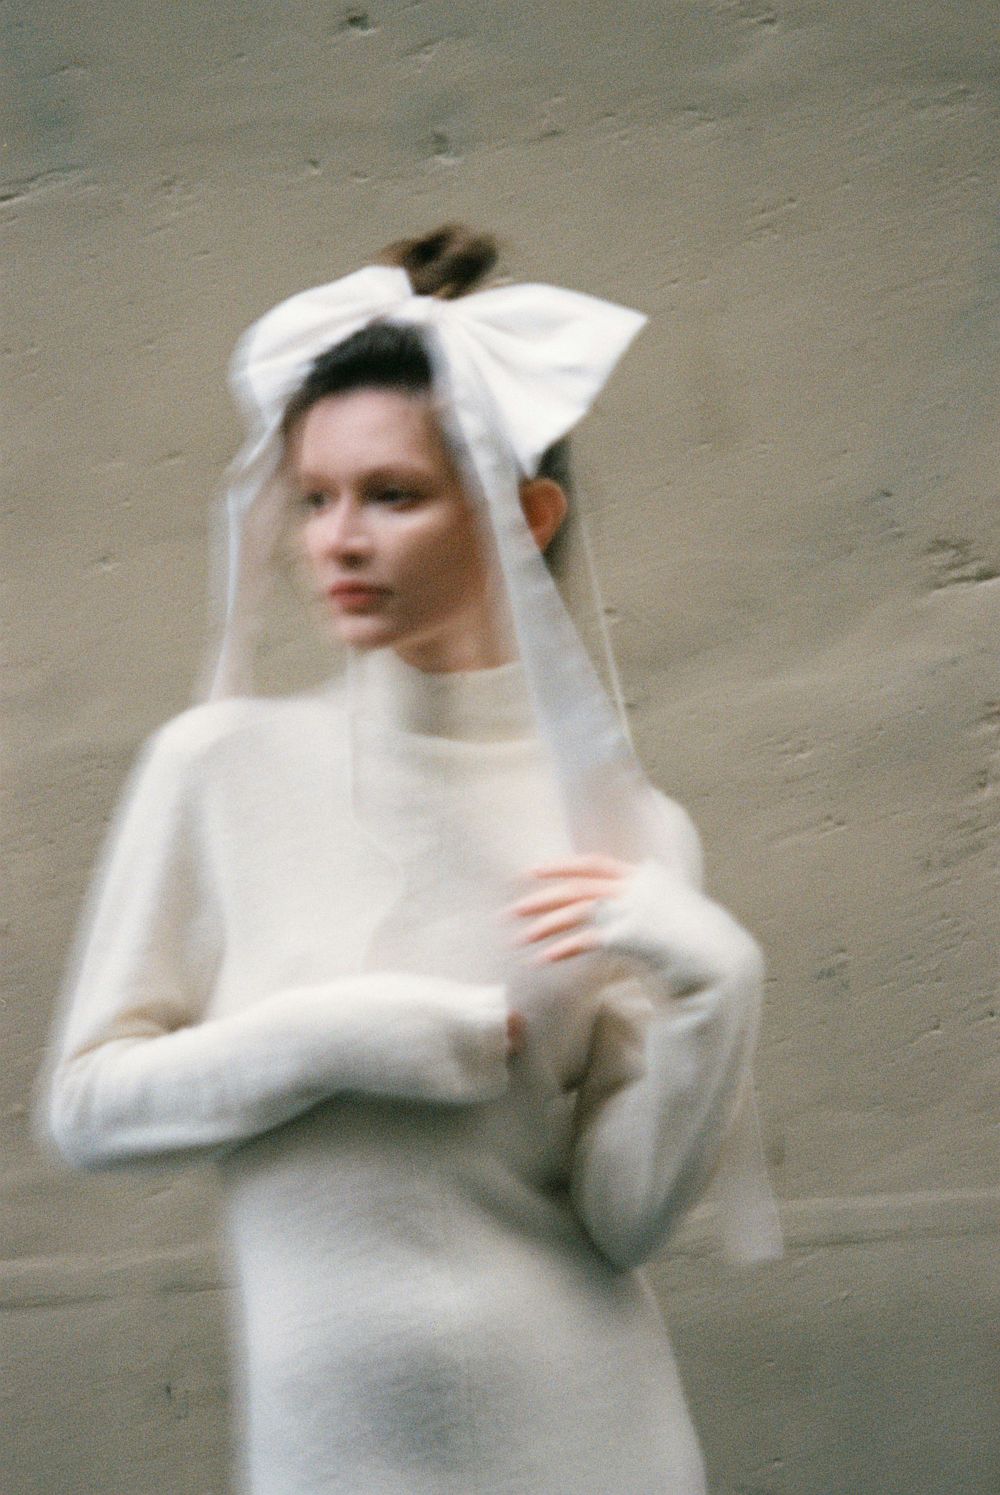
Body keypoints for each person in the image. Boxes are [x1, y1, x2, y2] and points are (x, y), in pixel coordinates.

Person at [40, 225, 780, 1494]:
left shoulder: (631, 831)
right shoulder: (214, 769)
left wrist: (720, 991)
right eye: (313, 496)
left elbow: (623, 1220)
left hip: (596, 1449)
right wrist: (348, 1036)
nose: (334, 539)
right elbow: (89, 1109)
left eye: (391, 495)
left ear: (522, 517)